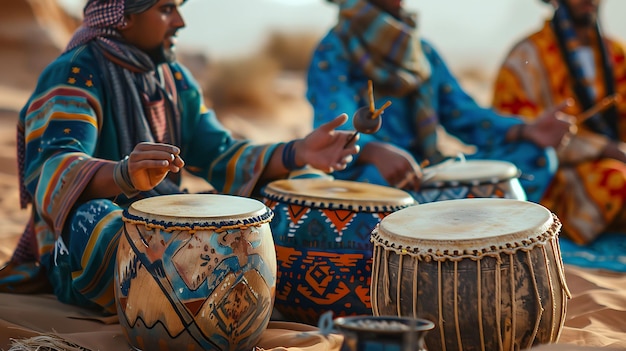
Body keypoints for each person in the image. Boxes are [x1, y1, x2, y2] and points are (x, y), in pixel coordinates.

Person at [0, 0, 359, 314]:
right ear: (124, 14)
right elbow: (51, 172)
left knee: (295, 192)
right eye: (166, 9)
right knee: (95, 221)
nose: (180, 23)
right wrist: (123, 175)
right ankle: (191, 298)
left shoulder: (173, 77)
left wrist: (298, 152)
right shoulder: (75, 71)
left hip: (170, 233)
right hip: (87, 247)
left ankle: (217, 290)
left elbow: (221, 155)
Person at [307, 0, 574, 206]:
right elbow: (335, 127)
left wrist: (525, 130)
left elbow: (462, 113)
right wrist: (375, 151)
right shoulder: (333, 52)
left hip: (426, 171)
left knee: (535, 157)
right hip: (371, 177)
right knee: (378, 188)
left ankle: (447, 218)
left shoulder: (422, 54)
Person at [492, 0, 626, 245]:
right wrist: (604, 148)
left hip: (616, 159)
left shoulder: (615, 53)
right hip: (553, 173)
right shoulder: (525, 57)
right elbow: (515, 134)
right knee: (617, 178)